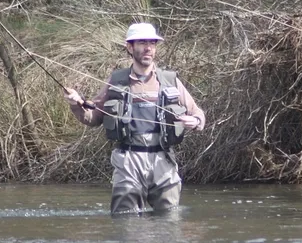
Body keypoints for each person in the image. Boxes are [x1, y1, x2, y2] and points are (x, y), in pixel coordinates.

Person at [64, 23, 205, 214]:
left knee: (169, 221)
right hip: (128, 161)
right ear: (130, 47)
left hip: (163, 161)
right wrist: (75, 103)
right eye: (142, 43)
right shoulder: (117, 80)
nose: (148, 48)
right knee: (125, 220)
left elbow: (198, 115)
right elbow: (93, 117)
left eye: (152, 43)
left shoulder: (170, 80)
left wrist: (195, 122)